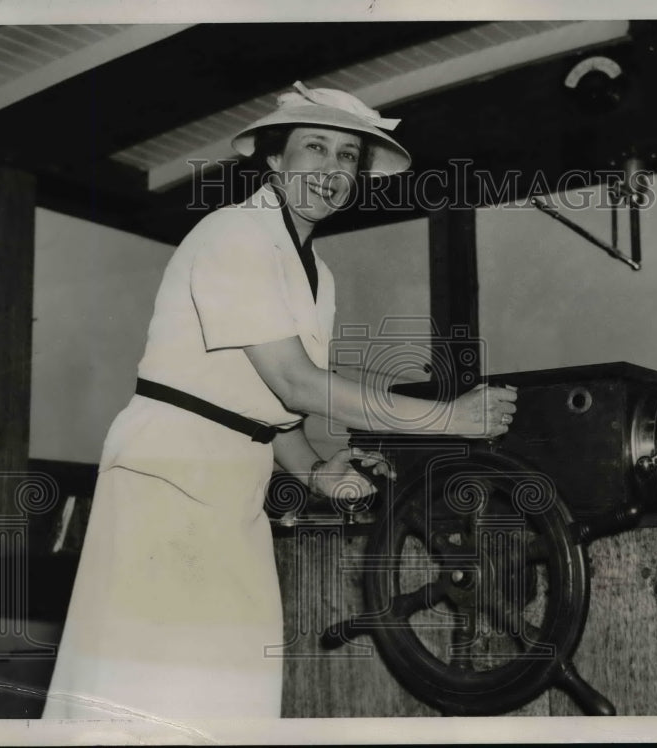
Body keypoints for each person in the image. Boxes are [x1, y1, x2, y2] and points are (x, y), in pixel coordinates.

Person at [41, 82, 518, 722]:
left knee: (231, 687)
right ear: (274, 160)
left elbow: (274, 411)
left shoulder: (317, 274)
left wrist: (320, 471)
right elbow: (295, 381)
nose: (331, 169)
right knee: (150, 689)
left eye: (347, 156)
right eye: (314, 148)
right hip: (170, 470)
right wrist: (447, 417)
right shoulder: (234, 234)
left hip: (234, 482)